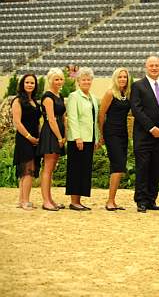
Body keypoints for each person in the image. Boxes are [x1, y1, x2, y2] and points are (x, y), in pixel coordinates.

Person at [130, 56, 159, 213]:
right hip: (144, 136)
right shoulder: (137, 86)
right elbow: (137, 110)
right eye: (151, 65)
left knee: (156, 168)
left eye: (157, 65)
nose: (154, 68)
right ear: (146, 67)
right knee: (143, 168)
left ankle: (151, 200)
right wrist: (151, 128)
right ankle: (141, 201)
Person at [65, 67, 100, 211]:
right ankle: (74, 202)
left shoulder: (92, 97)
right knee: (76, 169)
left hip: (89, 139)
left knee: (84, 170)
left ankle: (78, 200)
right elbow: (72, 118)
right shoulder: (74, 96)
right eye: (83, 79)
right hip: (78, 139)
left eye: (88, 79)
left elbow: (94, 120)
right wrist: (78, 137)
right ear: (78, 81)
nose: (86, 81)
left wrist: (96, 138)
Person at [99, 68, 131, 211]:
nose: (123, 79)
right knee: (118, 165)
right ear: (115, 78)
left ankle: (112, 200)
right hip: (111, 133)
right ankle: (110, 201)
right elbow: (101, 115)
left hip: (123, 133)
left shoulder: (127, 94)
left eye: (125, 77)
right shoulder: (110, 93)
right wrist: (101, 135)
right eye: (120, 77)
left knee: (119, 166)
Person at [37, 68, 67, 211]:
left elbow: (62, 117)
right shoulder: (48, 97)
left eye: (61, 79)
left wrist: (65, 134)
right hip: (51, 133)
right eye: (56, 79)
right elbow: (51, 120)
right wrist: (60, 137)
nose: (59, 81)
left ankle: (50, 199)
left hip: (59, 133)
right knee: (48, 168)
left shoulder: (59, 95)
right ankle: (46, 201)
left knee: (52, 167)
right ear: (50, 80)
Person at [11, 74, 41, 210]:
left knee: (26, 170)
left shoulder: (34, 101)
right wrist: (29, 137)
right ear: (22, 84)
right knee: (28, 169)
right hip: (24, 139)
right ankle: (25, 201)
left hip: (34, 138)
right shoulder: (17, 101)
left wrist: (38, 137)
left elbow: (37, 121)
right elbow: (17, 122)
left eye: (32, 83)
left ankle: (20, 200)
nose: (30, 85)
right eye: (27, 82)